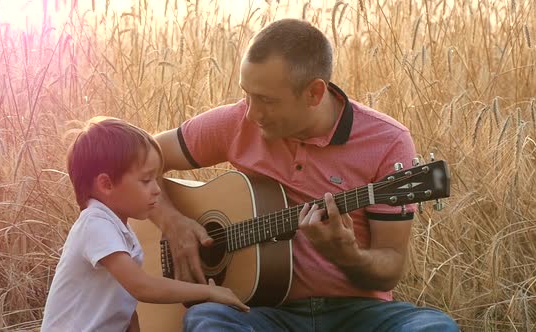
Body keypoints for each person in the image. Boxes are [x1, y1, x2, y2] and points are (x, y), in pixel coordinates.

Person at [149, 19, 459, 331]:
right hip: (262, 312)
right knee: (207, 320)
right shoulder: (236, 123)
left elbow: (389, 267)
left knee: (434, 327)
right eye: (247, 94)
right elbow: (139, 158)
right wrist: (172, 222)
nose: (250, 113)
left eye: (267, 100)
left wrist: (346, 254)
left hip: (359, 314)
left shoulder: (387, 141)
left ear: (314, 93)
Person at [41, 116, 249, 332]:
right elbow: (142, 287)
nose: (157, 190)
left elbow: (125, 309)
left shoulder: (120, 230)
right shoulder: (94, 225)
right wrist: (208, 292)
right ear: (106, 184)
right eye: (146, 180)